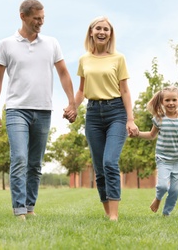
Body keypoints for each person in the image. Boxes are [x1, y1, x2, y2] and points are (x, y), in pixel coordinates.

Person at [0, 0, 77, 220]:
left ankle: (30, 207)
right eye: (36, 19)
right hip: (17, 109)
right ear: (23, 16)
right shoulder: (6, 44)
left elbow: (64, 73)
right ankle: (19, 209)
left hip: (43, 110)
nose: (40, 23)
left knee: (35, 163)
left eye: (43, 18)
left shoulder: (52, 43)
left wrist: (71, 102)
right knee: (19, 157)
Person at [73, 16, 138, 221]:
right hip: (92, 114)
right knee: (99, 168)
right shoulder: (84, 59)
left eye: (106, 29)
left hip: (116, 112)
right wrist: (72, 108)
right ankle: (107, 212)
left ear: (110, 34)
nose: (102, 32)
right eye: (98, 28)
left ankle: (114, 216)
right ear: (91, 32)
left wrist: (130, 119)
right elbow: (82, 90)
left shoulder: (118, 58)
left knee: (110, 162)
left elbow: (125, 91)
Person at [131, 86, 178, 216]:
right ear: (162, 102)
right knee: (162, 186)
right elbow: (151, 135)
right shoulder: (159, 118)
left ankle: (166, 213)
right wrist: (137, 134)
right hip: (163, 158)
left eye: (174, 100)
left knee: (174, 191)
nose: (171, 103)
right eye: (167, 100)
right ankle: (158, 198)